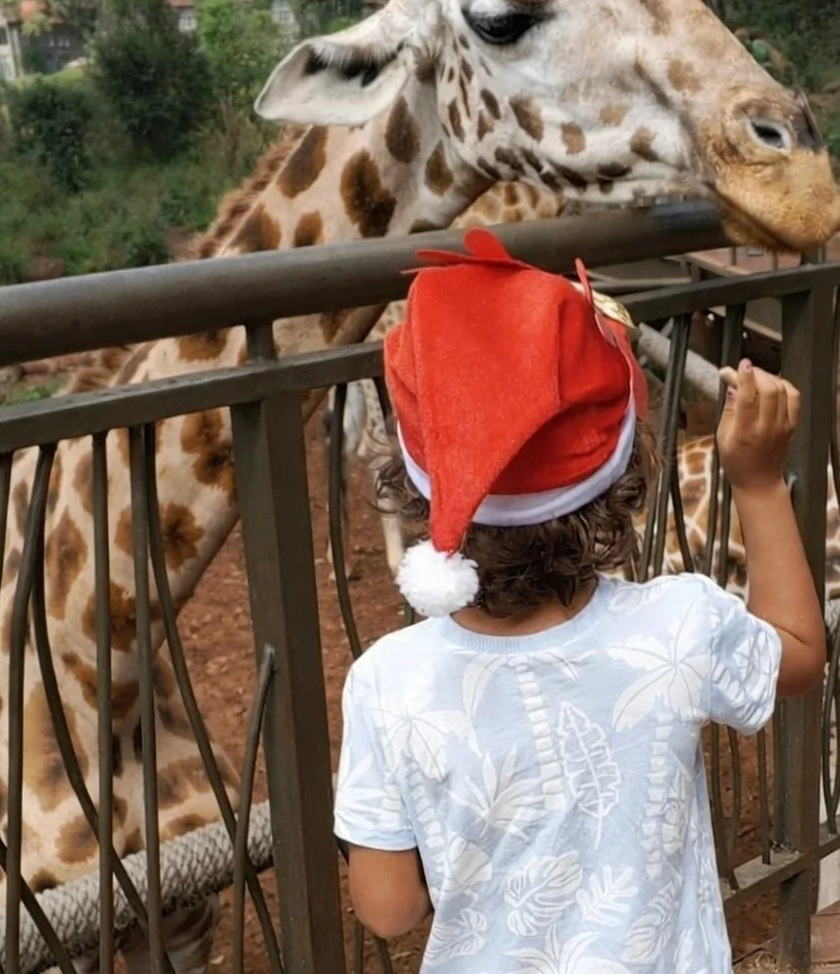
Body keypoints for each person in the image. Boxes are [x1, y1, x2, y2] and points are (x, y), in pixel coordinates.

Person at [333, 228, 825, 973]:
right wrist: (756, 482)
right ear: (620, 476)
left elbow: (388, 908)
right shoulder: (678, 625)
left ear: (411, 487)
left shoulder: (386, 680)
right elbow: (796, 652)